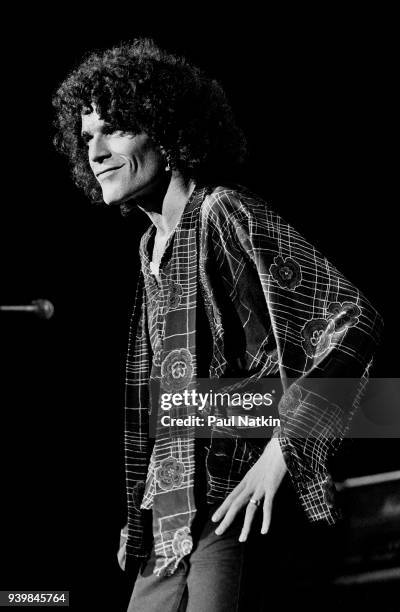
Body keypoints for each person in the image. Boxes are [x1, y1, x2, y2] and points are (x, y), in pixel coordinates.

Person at [53, 38, 383, 611]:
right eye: (87, 137)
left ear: (166, 129)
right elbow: (173, 398)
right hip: (170, 520)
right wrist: (142, 505)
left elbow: (354, 321)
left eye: (117, 129)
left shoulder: (222, 211)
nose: (97, 151)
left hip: (236, 500)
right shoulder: (150, 247)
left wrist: (284, 449)